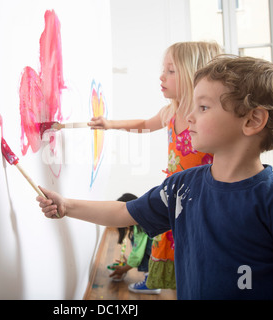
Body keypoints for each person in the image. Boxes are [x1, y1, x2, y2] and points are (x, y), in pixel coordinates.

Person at [37, 56, 273, 300]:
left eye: (204, 107)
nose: (190, 116)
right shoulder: (182, 186)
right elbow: (125, 211)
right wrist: (66, 205)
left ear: (252, 121)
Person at [89, 41, 223, 291]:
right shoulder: (169, 113)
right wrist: (110, 124)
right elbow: (143, 124)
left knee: (199, 251)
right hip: (177, 195)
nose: (162, 76)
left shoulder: (205, 116)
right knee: (174, 246)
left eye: (171, 71)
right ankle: (164, 282)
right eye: (163, 69)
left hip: (205, 196)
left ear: (192, 73)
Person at [108, 194, 159, 294]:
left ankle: (151, 283)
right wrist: (128, 263)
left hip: (162, 254)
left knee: (143, 250)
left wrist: (124, 268)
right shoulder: (146, 217)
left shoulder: (141, 227)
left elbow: (137, 255)